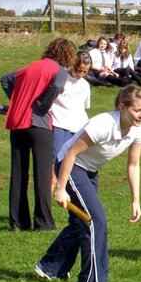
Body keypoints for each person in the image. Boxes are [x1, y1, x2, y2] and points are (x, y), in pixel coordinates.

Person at [33, 85, 141, 282]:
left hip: (90, 171)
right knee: (95, 221)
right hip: (71, 167)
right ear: (122, 107)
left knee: (81, 222)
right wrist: (60, 188)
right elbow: (70, 154)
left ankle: (50, 266)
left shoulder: (140, 130)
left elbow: (134, 165)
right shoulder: (103, 124)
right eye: (137, 110)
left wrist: (135, 200)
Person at [1, 38, 75, 231]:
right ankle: (44, 222)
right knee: (42, 174)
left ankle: (18, 222)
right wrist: (42, 105)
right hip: (38, 124)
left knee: (18, 172)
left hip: (17, 122)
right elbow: (58, 87)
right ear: (67, 55)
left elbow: (6, 79)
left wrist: (18, 100)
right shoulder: (58, 70)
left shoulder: (31, 67)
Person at [50, 51, 92, 187]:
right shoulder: (61, 79)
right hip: (60, 125)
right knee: (54, 162)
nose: (80, 74)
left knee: (76, 162)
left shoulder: (85, 85)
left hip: (78, 127)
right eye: (78, 70)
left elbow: (84, 107)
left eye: (85, 72)